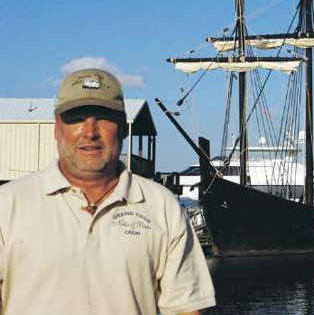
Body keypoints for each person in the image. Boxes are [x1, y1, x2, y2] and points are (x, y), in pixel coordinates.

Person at [0, 68, 215, 314]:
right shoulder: (7, 204)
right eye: (77, 118)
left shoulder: (163, 207)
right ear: (56, 128)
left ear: (123, 128)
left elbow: (185, 309)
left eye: (103, 118)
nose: (90, 132)